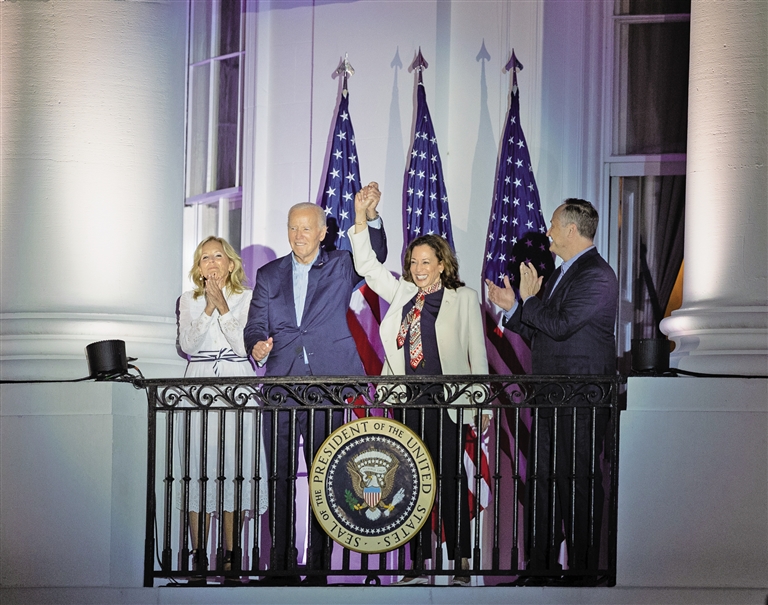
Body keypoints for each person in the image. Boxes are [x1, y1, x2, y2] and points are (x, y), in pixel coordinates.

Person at [349, 183, 490, 587]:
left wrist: (479, 406)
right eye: (413, 262)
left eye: (426, 261)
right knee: (410, 483)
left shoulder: (463, 298)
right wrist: (361, 217)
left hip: (446, 403)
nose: (419, 268)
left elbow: (477, 358)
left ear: (442, 264)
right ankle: (417, 565)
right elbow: (368, 266)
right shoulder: (403, 293)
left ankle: (460, 563)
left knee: (450, 481)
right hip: (406, 401)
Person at [243, 193, 387, 585]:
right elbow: (255, 325)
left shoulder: (341, 265)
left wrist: (369, 216)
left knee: (324, 479)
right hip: (281, 389)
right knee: (280, 478)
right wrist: (256, 345)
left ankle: (320, 566)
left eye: (306, 228)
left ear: (323, 232)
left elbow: (376, 253)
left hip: (328, 388)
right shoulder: (269, 275)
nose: (299, 234)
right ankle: (281, 565)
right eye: (293, 227)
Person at [486, 198, 618, 582]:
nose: (548, 233)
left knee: (577, 484)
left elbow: (560, 326)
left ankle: (582, 572)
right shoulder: (563, 273)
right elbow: (542, 334)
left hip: (579, 401)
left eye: (554, 226)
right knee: (542, 483)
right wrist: (514, 308)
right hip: (549, 397)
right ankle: (541, 567)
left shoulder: (597, 275)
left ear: (572, 230)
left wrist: (528, 300)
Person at [177, 236, 268, 577]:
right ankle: (199, 556)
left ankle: (231, 555)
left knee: (235, 466)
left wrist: (224, 306)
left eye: (218, 256)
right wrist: (208, 308)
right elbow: (188, 345)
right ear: (199, 267)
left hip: (236, 382)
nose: (212, 262)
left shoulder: (248, 298)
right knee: (199, 466)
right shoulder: (188, 300)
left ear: (231, 263)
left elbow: (244, 345)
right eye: (205, 258)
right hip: (199, 383)